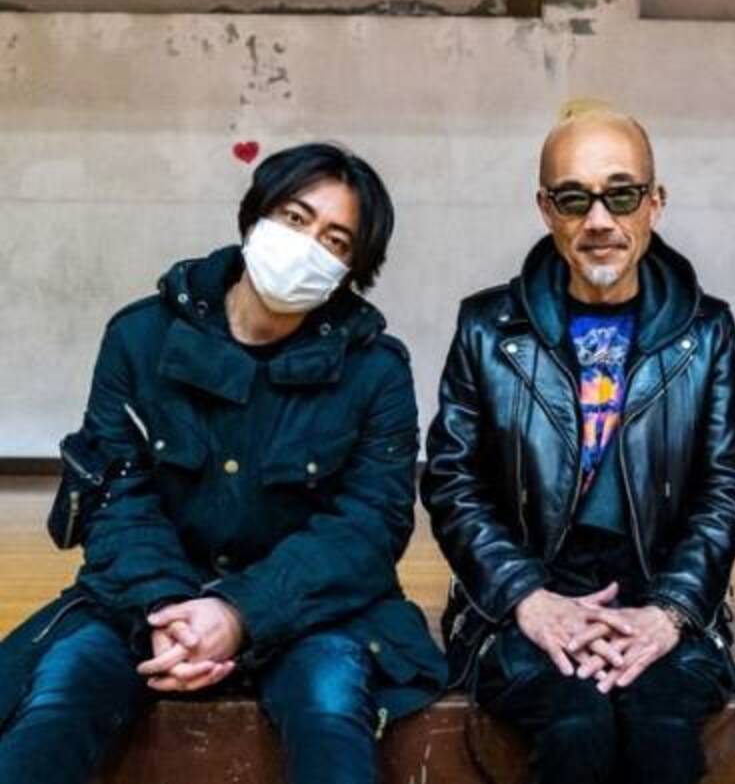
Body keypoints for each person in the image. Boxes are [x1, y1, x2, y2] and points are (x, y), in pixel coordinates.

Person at [0, 142, 447, 784]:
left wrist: (239, 613)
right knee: (58, 701)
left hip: (312, 610)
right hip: (143, 604)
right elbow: (117, 498)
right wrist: (170, 609)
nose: (308, 246)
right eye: (295, 218)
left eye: (335, 241)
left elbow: (368, 527)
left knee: (329, 710)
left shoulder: (376, 371)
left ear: (352, 270)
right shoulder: (139, 337)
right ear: (255, 215)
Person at [421, 103, 735, 784]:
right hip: (526, 593)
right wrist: (526, 597)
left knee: (661, 732)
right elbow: (453, 482)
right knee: (577, 726)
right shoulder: (488, 329)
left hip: (660, 588)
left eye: (621, 195)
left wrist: (670, 610)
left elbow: (725, 487)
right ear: (546, 210)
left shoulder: (704, 330)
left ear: (655, 203)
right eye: (575, 199)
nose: (599, 220)